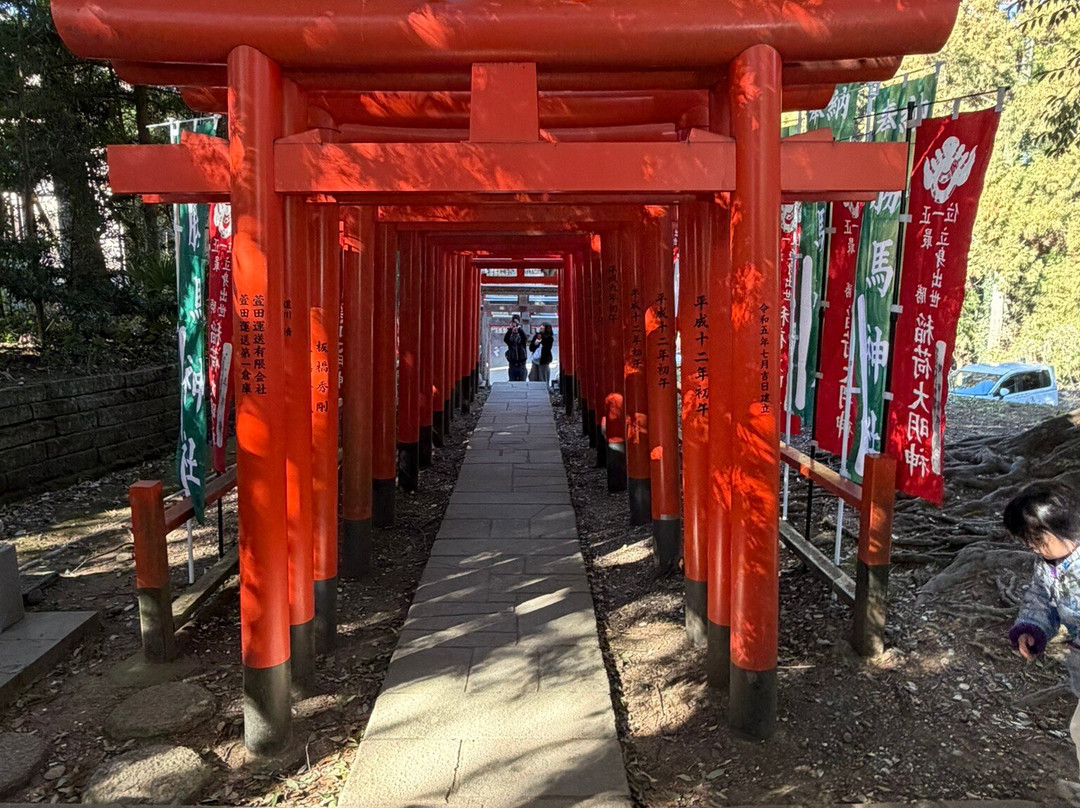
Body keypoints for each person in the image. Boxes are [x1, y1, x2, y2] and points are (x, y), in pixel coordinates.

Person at [1006, 481, 1080, 804]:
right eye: (1027, 542)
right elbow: (1041, 600)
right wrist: (1032, 629)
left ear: (1062, 526)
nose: (1033, 548)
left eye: (1036, 540)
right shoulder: (1047, 566)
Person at [503, 315, 528, 381]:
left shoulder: (521, 338)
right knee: (512, 380)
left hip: (522, 364)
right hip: (512, 364)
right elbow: (506, 339)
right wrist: (510, 329)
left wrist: (519, 329)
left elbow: (524, 338)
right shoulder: (510, 339)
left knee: (522, 381)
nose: (515, 329)